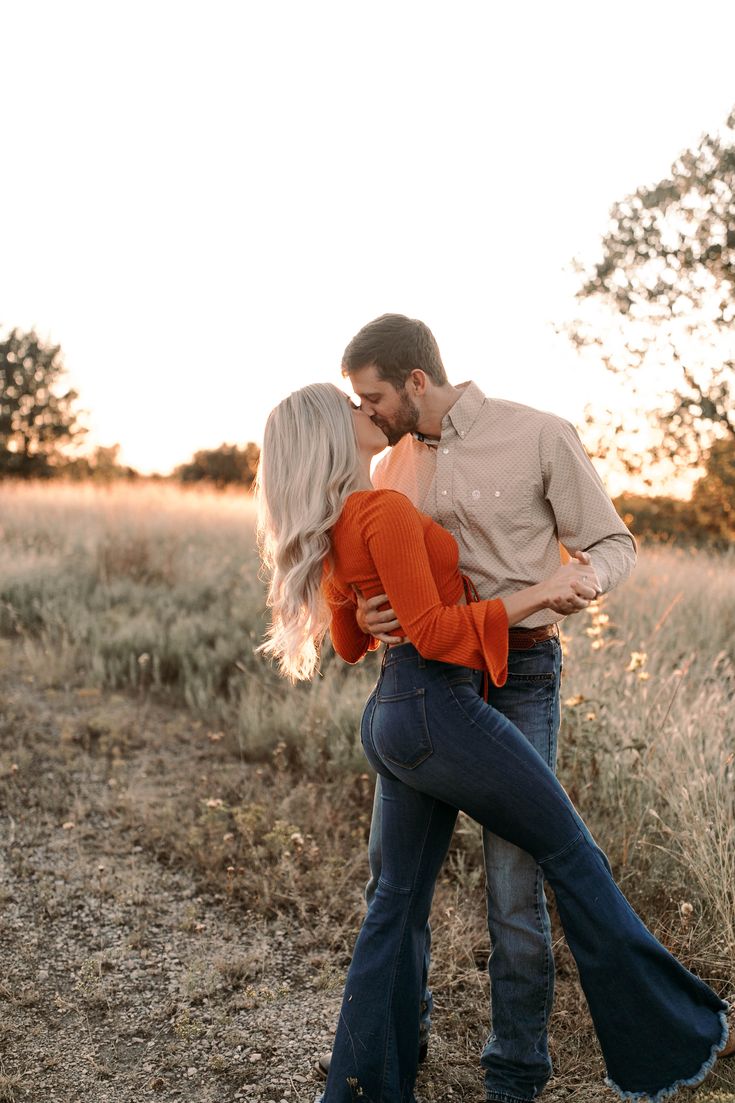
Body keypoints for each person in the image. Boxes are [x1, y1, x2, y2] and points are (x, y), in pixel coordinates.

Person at [255, 381, 732, 1103]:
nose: (366, 411)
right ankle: (675, 1033)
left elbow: (352, 642)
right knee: (571, 854)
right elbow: (440, 634)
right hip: (437, 707)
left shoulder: (337, 521)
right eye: (352, 404)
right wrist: (542, 590)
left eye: (369, 395)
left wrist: (372, 609)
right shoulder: (380, 504)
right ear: (329, 432)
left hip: (395, 713)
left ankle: (359, 1091)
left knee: (393, 900)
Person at [320, 313, 637, 1102]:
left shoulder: (538, 434)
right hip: (429, 684)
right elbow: (371, 573)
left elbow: (612, 542)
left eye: (373, 396)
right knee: (395, 882)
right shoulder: (386, 466)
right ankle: (405, 1041)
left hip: (519, 674)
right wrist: (360, 616)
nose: (366, 412)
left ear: (416, 381)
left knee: (513, 887)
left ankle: (515, 1073)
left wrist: (580, 582)